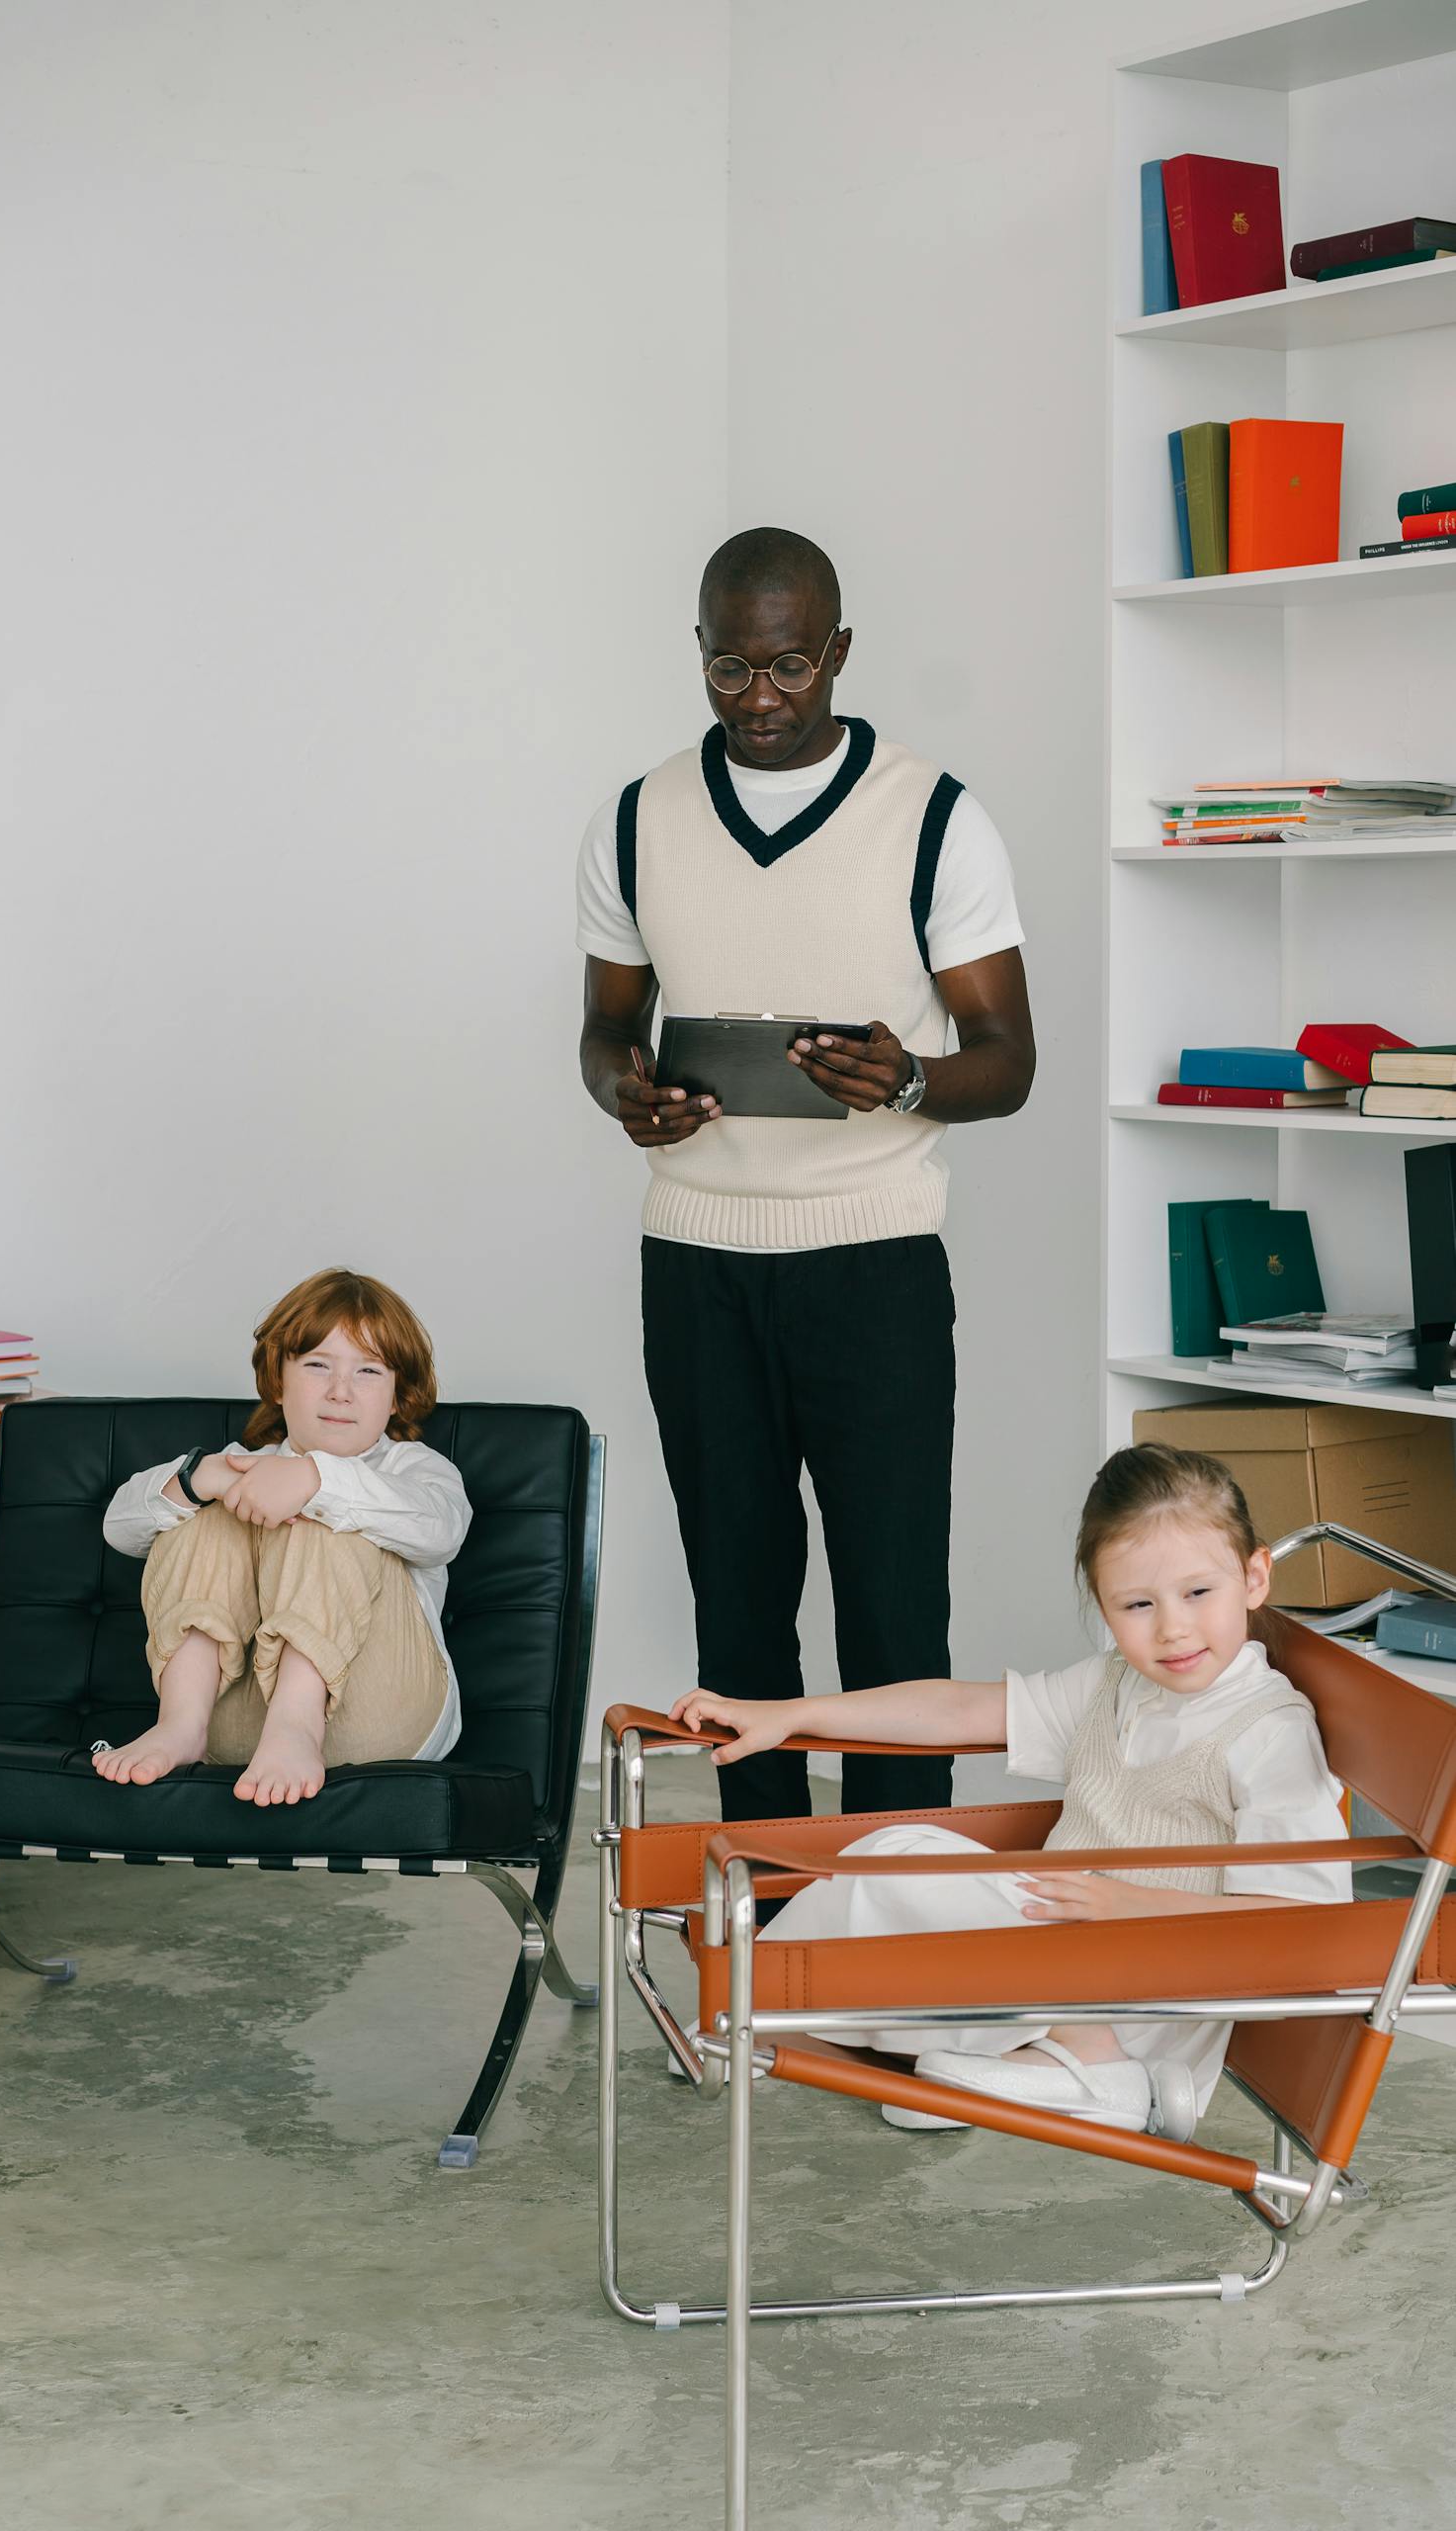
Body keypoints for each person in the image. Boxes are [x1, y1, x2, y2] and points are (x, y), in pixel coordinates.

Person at [578, 526, 1035, 1832]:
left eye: (788, 665)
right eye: (729, 667)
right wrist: (626, 1091)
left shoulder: (935, 818)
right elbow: (603, 1027)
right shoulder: (637, 820)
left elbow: (1007, 1059)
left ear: (838, 650)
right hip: (697, 1264)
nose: (760, 698)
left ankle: (895, 1899)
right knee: (737, 1606)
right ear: (699, 653)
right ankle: (767, 1902)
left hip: (873, 1264)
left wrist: (907, 1080)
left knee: (891, 1610)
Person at [670, 1443, 1349, 2138]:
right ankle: (767, 2007)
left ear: (1254, 1577)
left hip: (1149, 1989)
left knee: (923, 1887)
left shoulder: (1268, 1730)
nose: (1172, 1628)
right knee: (893, 1852)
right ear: (1104, 1607)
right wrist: (792, 1715)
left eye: (1198, 1593)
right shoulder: (1117, 1683)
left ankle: (1089, 2062)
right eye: (1137, 1604)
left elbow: (1303, 1924)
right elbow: (958, 1710)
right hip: (1055, 1948)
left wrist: (1129, 1906)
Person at [94, 1269, 470, 1806]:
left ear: (395, 1396)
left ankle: (298, 1723)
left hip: (380, 1718)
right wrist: (203, 1478)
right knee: (207, 1510)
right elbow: (119, 1527)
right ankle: (180, 1723)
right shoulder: (246, 1464)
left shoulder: (415, 1469)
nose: (340, 1392)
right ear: (278, 1381)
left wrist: (316, 1480)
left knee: (332, 1511)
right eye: (317, 1365)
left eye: (368, 1371)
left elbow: (443, 1533)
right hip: (237, 1729)